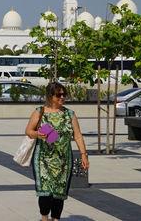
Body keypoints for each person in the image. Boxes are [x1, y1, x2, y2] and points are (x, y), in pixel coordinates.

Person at [25, 82, 89, 221]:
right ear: (50, 95)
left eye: (64, 94)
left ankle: (56, 219)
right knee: (45, 193)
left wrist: (84, 155)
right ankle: (44, 218)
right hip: (43, 160)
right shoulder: (39, 111)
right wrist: (38, 134)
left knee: (59, 193)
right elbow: (28, 131)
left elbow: (77, 135)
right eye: (58, 95)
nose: (62, 97)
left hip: (64, 161)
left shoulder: (69, 114)